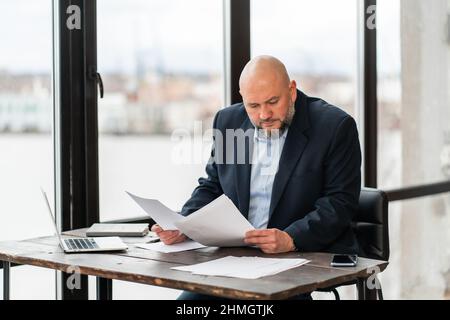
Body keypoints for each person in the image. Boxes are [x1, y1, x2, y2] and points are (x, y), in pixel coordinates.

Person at [152, 55, 362, 300]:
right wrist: (184, 225)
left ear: (292, 91)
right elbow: (213, 184)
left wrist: (291, 238)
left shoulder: (334, 127)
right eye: (253, 105)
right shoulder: (228, 121)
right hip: (233, 259)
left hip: (296, 259)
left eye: (273, 101)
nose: (264, 114)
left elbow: (339, 203)